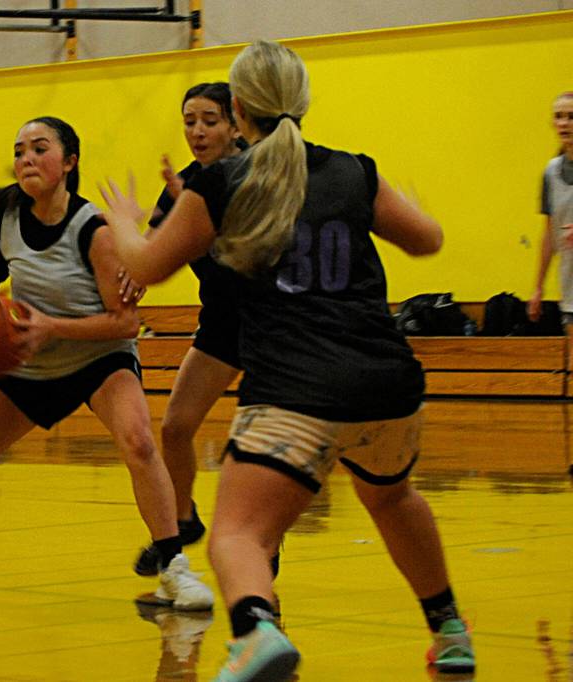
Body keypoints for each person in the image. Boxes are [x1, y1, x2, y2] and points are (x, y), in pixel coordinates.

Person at [100, 41, 474, 681]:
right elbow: (428, 240)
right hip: (389, 383)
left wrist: (123, 222)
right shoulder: (355, 170)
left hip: (298, 389)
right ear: (302, 101)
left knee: (236, 536)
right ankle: (450, 630)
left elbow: (144, 267)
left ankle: (255, 631)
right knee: (391, 497)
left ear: (237, 108)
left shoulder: (221, 183)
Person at [0, 116, 213, 612]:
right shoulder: (2, 222)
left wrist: (52, 327)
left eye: (39, 148)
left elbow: (125, 325)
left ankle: (173, 568)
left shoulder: (92, 229)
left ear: (69, 162)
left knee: (140, 443)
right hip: (33, 363)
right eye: (19, 151)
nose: (27, 158)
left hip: (99, 357)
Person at [132, 83, 279, 584]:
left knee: (261, 449)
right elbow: (152, 246)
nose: (197, 131)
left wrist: (200, 220)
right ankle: (182, 521)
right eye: (189, 121)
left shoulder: (261, 173)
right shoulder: (188, 184)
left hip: (271, 325)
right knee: (174, 428)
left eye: (209, 120)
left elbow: (250, 258)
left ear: (235, 123)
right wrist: (131, 269)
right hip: (220, 323)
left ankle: (264, 555)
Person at [529, 91, 573, 327]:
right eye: (559, 116)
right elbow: (549, 235)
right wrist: (538, 287)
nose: (564, 123)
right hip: (570, 287)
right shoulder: (551, 172)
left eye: (571, 116)